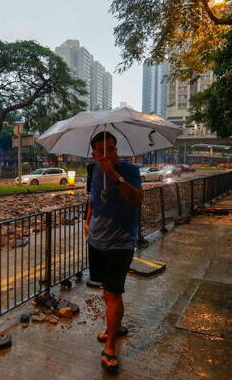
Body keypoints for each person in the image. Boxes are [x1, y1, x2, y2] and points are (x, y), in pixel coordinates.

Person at [83, 131, 143, 373]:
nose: (109, 154)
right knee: (106, 292)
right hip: (97, 240)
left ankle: (110, 345)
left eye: (113, 148)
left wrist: (114, 175)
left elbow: (137, 200)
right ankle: (114, 326)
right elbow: (93, 198)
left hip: (122, 241)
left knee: (112, 294)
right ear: (94, 153)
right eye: (103, 150)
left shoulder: (129, 171)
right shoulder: (92, 170)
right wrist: (86, 221)